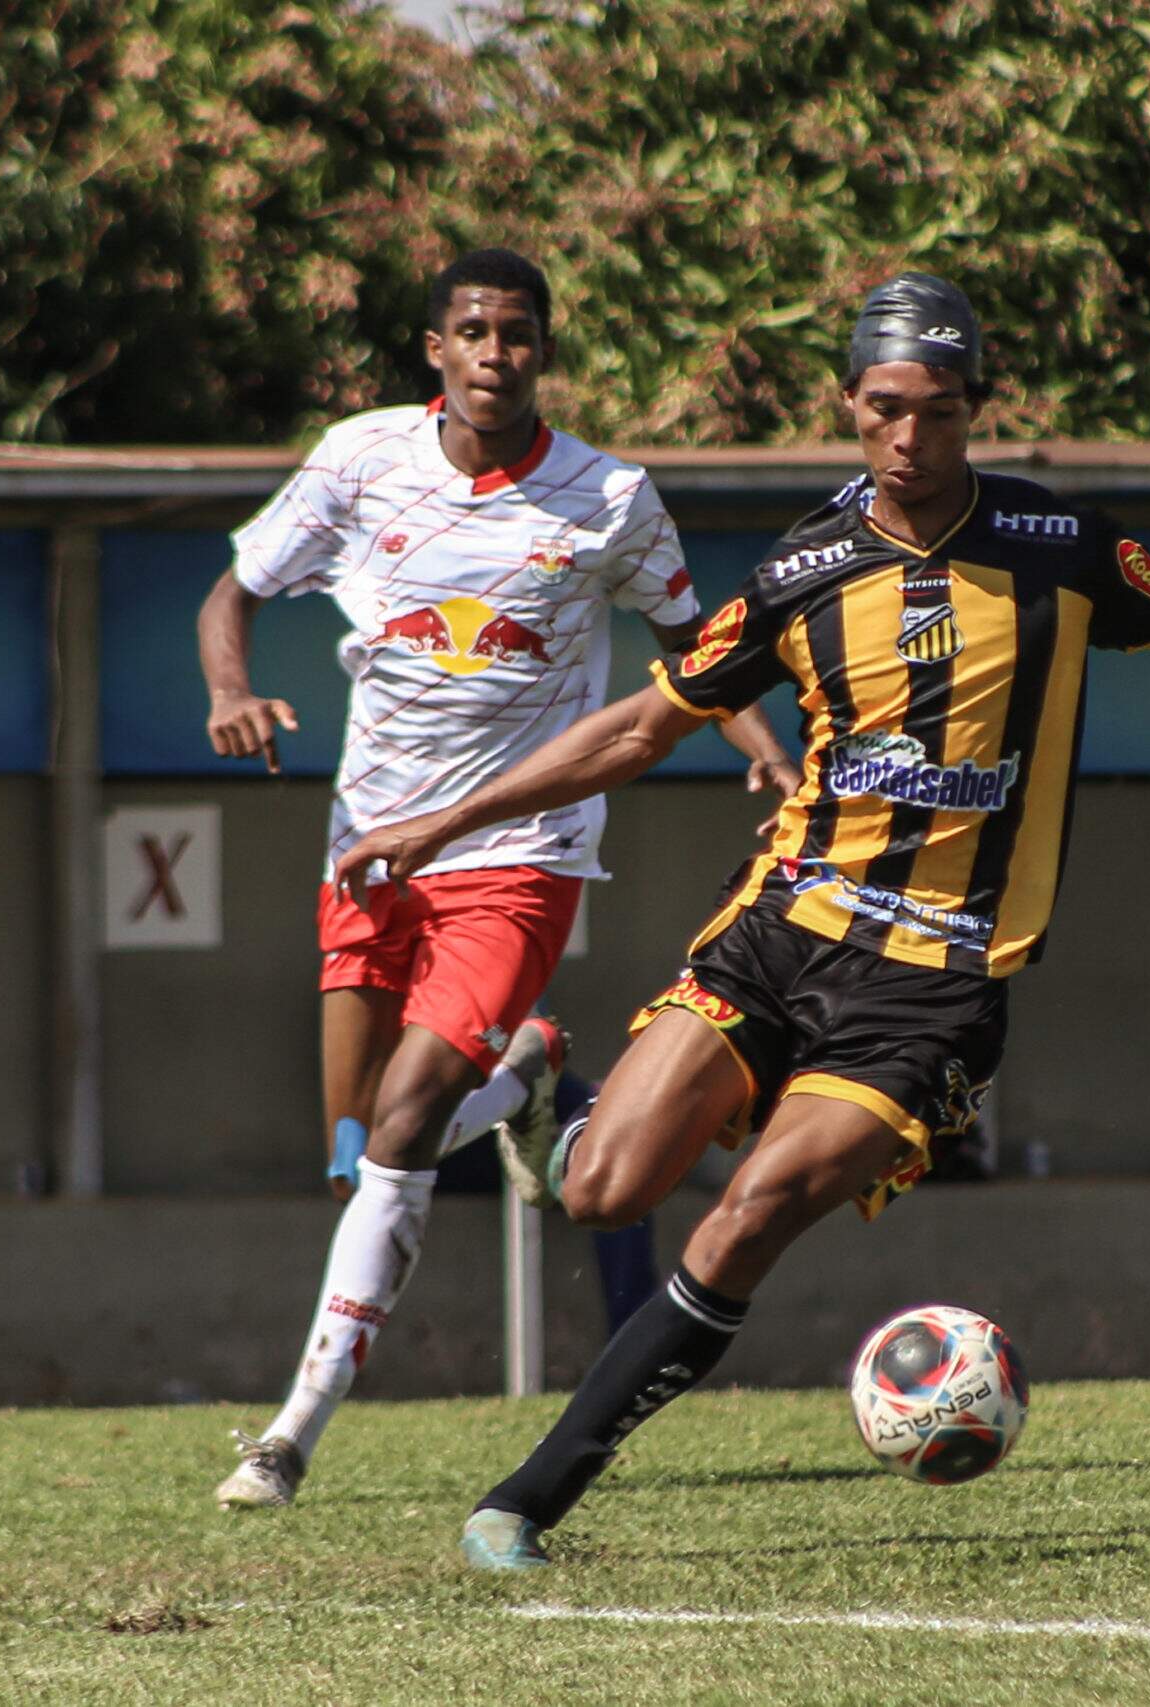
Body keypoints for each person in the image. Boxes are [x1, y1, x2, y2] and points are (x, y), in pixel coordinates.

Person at [327, 272, 1150, 1571]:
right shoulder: (803, 571)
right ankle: (552, 1103)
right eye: (886, 410)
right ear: (850, 408)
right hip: (783, 930)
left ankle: (524, 1498)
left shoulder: (1063, 548)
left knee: (746, 1216)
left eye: (940, 411)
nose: (911, 438)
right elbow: (641, 726)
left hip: (936, 984)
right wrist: (438, 822)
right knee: (600, 1192)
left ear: (975, 408)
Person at [196, 248, 798, 1510]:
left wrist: (767, 757)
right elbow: (233, 591)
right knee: (355, 1148)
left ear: (544, 353)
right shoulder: (359, 461)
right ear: (435, 348)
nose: (493, 353)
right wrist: (231, 691)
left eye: (516, 334)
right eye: (471, 330)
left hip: (516, 853)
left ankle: (290, 1435)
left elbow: (697, 645)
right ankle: (524, 1073)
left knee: (406, 1125)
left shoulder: (607, 498)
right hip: (369, 848)